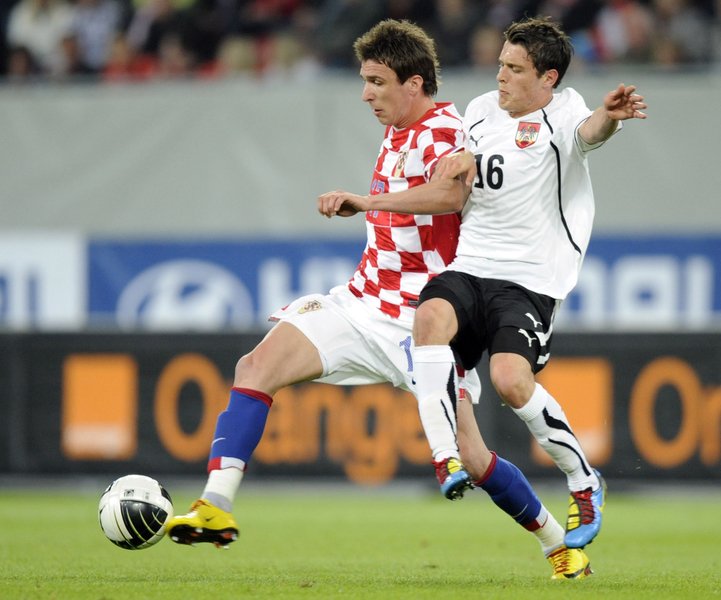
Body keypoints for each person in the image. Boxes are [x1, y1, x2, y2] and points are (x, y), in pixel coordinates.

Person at [167, 18, 593, 579]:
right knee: (256, 366)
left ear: (413, 84)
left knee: (473, 458)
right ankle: (215, 505)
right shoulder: (400, 127)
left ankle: (558, 543)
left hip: (426, 319)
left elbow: (449, 194)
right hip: (362, 303)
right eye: (365, 81)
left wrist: (366, 202)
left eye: (376, 82)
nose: (366, 94)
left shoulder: (448, 131)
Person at [319, 16, 648, 551]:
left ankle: (583, 478)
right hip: (471, 265)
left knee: (511, 382)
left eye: (515, 69)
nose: (501, 77)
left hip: (528, 281)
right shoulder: (477, 113)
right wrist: (451, 165)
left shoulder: (565, 113)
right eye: (500, 64)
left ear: (548, 78)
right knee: (428, 317)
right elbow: (456, 179)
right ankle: (444, 456)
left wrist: (608, 118)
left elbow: (590, 133)